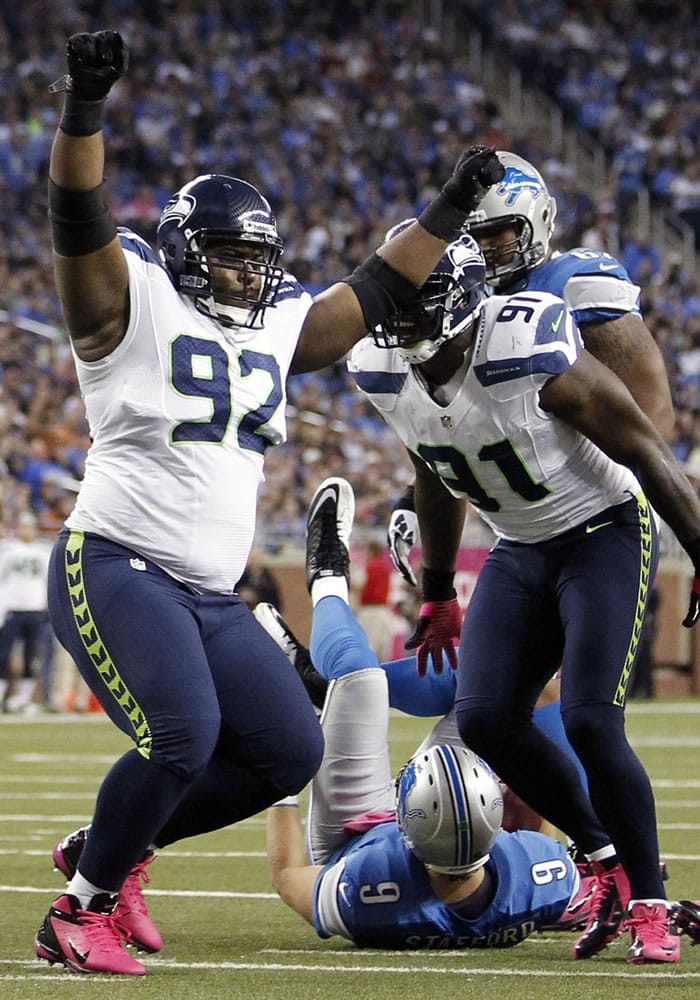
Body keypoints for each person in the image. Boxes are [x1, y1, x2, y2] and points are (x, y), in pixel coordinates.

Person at [35, 29, 505, 976]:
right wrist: (85, 105)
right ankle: (76, 912)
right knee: (183, 736)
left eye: (258, 260)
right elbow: (77, 213)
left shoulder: (278, 326)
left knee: (288, 748)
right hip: (117, 561)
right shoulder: (128, 302)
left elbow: (374, 288)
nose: (249, 276)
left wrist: (451, 208)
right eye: (229, 258)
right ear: (182, 251)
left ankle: (111, 854)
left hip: (209, 594)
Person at [347, 233, 700, 964]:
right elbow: (432, 470)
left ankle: (649, 899)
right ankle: (602, 859)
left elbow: (642, 447)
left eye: (416, 302)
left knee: (591, 720)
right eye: (395, 302)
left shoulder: (524, 343)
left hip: (603, 531)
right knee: (483, 719)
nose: (398, 319)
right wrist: (439, 592)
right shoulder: (384, 370)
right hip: (520, 544)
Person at [263, 476, 585, 949]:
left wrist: (284, 772)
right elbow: (544, 824)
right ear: (497, 829)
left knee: (359, 679)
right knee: (525, 687)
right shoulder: (541, 876)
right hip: (445, 837)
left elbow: (290, 873)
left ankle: (326, 580)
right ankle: (320, 686)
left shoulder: (368, 887)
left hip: (357, 831)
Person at [0, 511, 54, 713]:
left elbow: (48, 582)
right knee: (3, 655)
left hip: (35, 609)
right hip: (12, 608)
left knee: (32, 656)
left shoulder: (43, 552)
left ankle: (23, 699)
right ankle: (3, 696)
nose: (26, 531)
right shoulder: (8, 550)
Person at [354, 537, 395, 661]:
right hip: (384, 611)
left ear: (371, 551)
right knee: (384, 654)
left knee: (368, 650)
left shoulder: (370, 567)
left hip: (370, 611)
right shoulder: (385, 568)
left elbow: (358, 583)